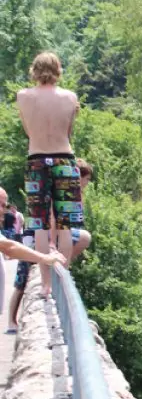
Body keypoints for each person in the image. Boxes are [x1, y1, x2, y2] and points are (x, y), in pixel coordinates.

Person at [16, 52, 83, 296]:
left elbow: (28, 131)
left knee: (41, 226)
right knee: (64, 225)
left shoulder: (23, 96)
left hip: (36, 160)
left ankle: (45, 285)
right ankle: (62, 280)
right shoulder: (70, 97)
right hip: (64, 158)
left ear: (34, 69)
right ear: (58, 70)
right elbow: (68, 132)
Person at [8, 161, 94, 334]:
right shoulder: (62, 188)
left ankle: (12, 321)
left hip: (37, 236)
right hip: (35, 237)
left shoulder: (50, 182)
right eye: (86, 179)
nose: (87, 183)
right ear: (78, 176)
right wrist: (52, 244)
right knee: (21, 280)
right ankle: (11, 321)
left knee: (22, 280)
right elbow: (53, 219)